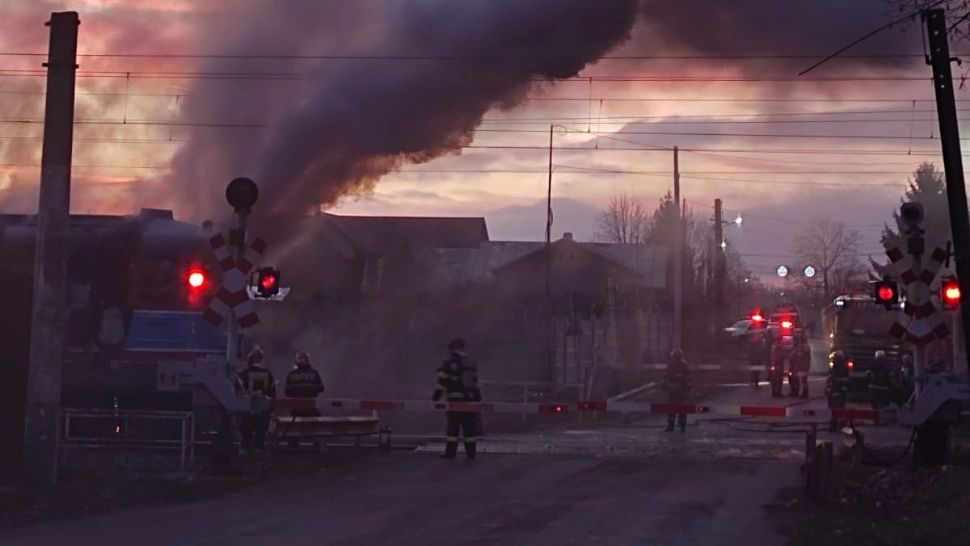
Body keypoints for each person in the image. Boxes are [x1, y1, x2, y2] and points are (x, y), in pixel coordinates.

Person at [432, 337, 482, 460]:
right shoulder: (470, 363)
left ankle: (450, 453)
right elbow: (475, 383)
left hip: (454, 402)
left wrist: (435, 397)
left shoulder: (448, 363)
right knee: (469, 428)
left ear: (452, 348)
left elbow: (441, 382)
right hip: (468, 402)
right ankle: (471, 453)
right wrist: (477, 398)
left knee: (453, 428)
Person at [237, 347, 276, 453]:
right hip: (263, 404)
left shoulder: (244, 372)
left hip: (248, 404)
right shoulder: (268, 373)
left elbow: (239, 389)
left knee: (247, 427)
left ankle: (245, 447)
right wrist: (271, 405)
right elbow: (272, 390)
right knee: (260, 428)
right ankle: (257, 447)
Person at [285, 351, 325, 416]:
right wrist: (311, 390)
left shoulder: (291, 374)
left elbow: (287, 392)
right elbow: (321, 388)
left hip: (296, 409)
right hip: (310, 407)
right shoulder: (314, 373)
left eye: (302, 358)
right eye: (300, 358)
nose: (301, 360)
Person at [661, 349, 692, 432]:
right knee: (671, 409)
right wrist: (664, 385)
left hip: (681, 392)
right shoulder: (670, 366)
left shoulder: (684, 366)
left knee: (682, 409)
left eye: (675, 357)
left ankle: (682, 426)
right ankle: (670, 426)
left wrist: (688, 390)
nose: (674, 359)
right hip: (672, 392)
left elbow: (688, 379)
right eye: (673, 357)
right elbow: (665, 376)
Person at [826, 351, 850, 432]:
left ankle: (834, 426)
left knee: (835, 411)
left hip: (835, 393)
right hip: (837, 393)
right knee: (838, 410)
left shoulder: (835, 369)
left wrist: (828, 390)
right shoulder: (843, 369)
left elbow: (831, 381)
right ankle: (839, 426)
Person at [789, 332, 811, 398]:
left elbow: (803, 356)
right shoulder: (800, 347)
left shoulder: (805, 347)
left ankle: (805, 393)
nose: (799, 341)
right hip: (801, 366)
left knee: (803, 380)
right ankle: (802, 392)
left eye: (800, 339)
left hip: (803, 366)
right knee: (801, 380)